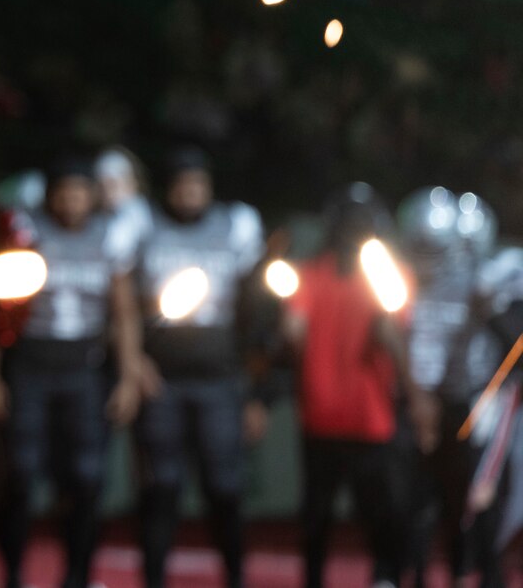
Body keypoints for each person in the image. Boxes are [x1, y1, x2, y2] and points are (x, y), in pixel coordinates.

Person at [0, 156, 145, 588]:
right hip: (31, 366)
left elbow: (123, 312)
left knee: (87, 479)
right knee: (20, 474)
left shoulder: (109, 237)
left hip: (84, 369)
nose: (72, 201)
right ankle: (12, 573)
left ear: (93, 195)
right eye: (64, 191)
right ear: (49, 194)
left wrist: (128, 375)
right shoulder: (27, 233)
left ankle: (77, 576)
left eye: (80, 191)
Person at [128, 147, 265, 588]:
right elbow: (122, 304)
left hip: (218, 381)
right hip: (162, 381)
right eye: (182, 184)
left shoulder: (235, 228)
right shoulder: (141, 227)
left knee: (225, 488)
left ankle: (236, 576)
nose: (190, 193)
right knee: (161, 487)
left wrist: (256, 390)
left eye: (198, 184)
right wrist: (133, 361)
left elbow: (256, 314)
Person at [288, 184, 434, 588]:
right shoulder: (386, 274)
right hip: (369, 418)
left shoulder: (310, 274)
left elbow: (294, 334)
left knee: (317, 515)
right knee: (379, 513)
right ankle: (383, 579)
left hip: (323, 414)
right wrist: (415, 394)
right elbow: (392, 333)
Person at [399, 188, 504, 587]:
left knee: (477, 498)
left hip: (474, 400)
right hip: (422, 403)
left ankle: (480, 574)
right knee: (420, 499)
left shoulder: (488, 282)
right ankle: (420, 574)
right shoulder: (405, 284)